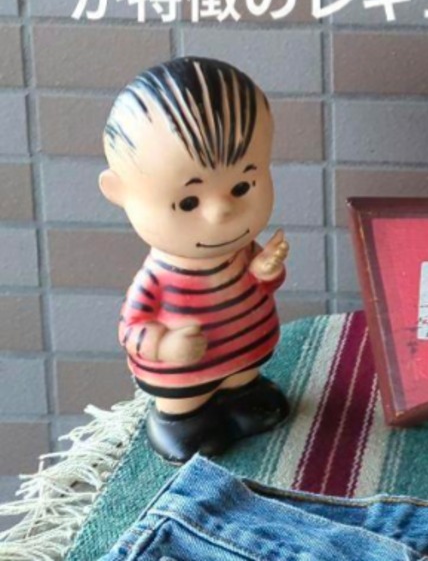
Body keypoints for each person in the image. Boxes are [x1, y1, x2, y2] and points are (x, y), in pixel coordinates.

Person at [99, 57, 290, 463]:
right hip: (184, 376)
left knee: (246, 388)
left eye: (242, 186)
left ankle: (243, 395)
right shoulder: (156, 279)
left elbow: (261, 281)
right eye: (188, 201)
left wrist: (265, 272)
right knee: (189, 411)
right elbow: (131, 327)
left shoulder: (242, 251)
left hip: (245, 352)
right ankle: (178, 422)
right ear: (120, 193)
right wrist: (164, 345)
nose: (222, 212)